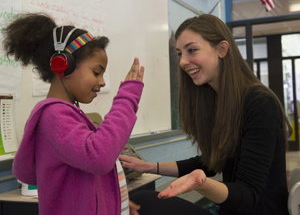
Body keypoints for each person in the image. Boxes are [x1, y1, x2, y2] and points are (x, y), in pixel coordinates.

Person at [119, 14, 292, 215]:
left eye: (191, 50)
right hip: (229, 210)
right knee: (142, 201)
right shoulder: (219, 100)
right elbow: (210, 162)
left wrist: (199, 183)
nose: (183, 61)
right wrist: (148, 167)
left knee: (144, 203)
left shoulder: (260, 103)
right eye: (179, 53)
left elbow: (247, 196)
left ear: (222, 49)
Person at [3, 13, 144, 215]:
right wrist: (127, 99)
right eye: (96, 72)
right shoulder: (53, 116)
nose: (102, 82)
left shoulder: (67, 115)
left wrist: (113, 201)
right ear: (62, 66)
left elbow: (87, 179)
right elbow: (99, 156)